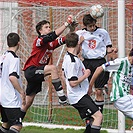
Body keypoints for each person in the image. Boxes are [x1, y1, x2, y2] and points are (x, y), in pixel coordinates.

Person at [21, 15, 76, 120]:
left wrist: (72, 29)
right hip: (31, 70)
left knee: (27, 103)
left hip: (38, 73)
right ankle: (62, 98)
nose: (49, 28)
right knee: (52, 68)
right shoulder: (39, 40)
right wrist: (65, 24)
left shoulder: (51, 44)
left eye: (49, 27)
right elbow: (51, 36)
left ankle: (15, 123)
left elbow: (67, 39)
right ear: (40, 31)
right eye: (46, 27)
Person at [76, 14, 117, 113]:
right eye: (90, 26)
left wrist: (112, 50)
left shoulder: (103, 32)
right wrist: (79, 43)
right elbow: (75, 50)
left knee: (99, 90)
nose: (93, 27)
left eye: (94, 25)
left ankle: (99, 114)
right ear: (85, 26)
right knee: (87, 90)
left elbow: (108, 47)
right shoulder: (80, 34)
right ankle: (89, 113)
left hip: (100, 62)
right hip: (87, 63)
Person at [62, 32, 102, 133]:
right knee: (98, 116)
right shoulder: (72, 61)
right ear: (78, 44)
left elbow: (63, 75)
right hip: (78, 97)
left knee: (92, 120)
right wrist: (86, 75)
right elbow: (73, 83)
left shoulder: (69, 57)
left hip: (80, 94)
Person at [89, 48, 133, 121]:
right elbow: (100, 68)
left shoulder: (131, 67)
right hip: (120, 97)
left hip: (126, 98)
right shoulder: (120, 62)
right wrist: (90, 85)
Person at [0, 33, 26, 133]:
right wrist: (21, 91)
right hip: (10, 97)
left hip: (2, 95)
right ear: (19, 43)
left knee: (6, 123)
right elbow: (12, 77)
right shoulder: (14, 58)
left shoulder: (2, 57)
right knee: (17, 125)